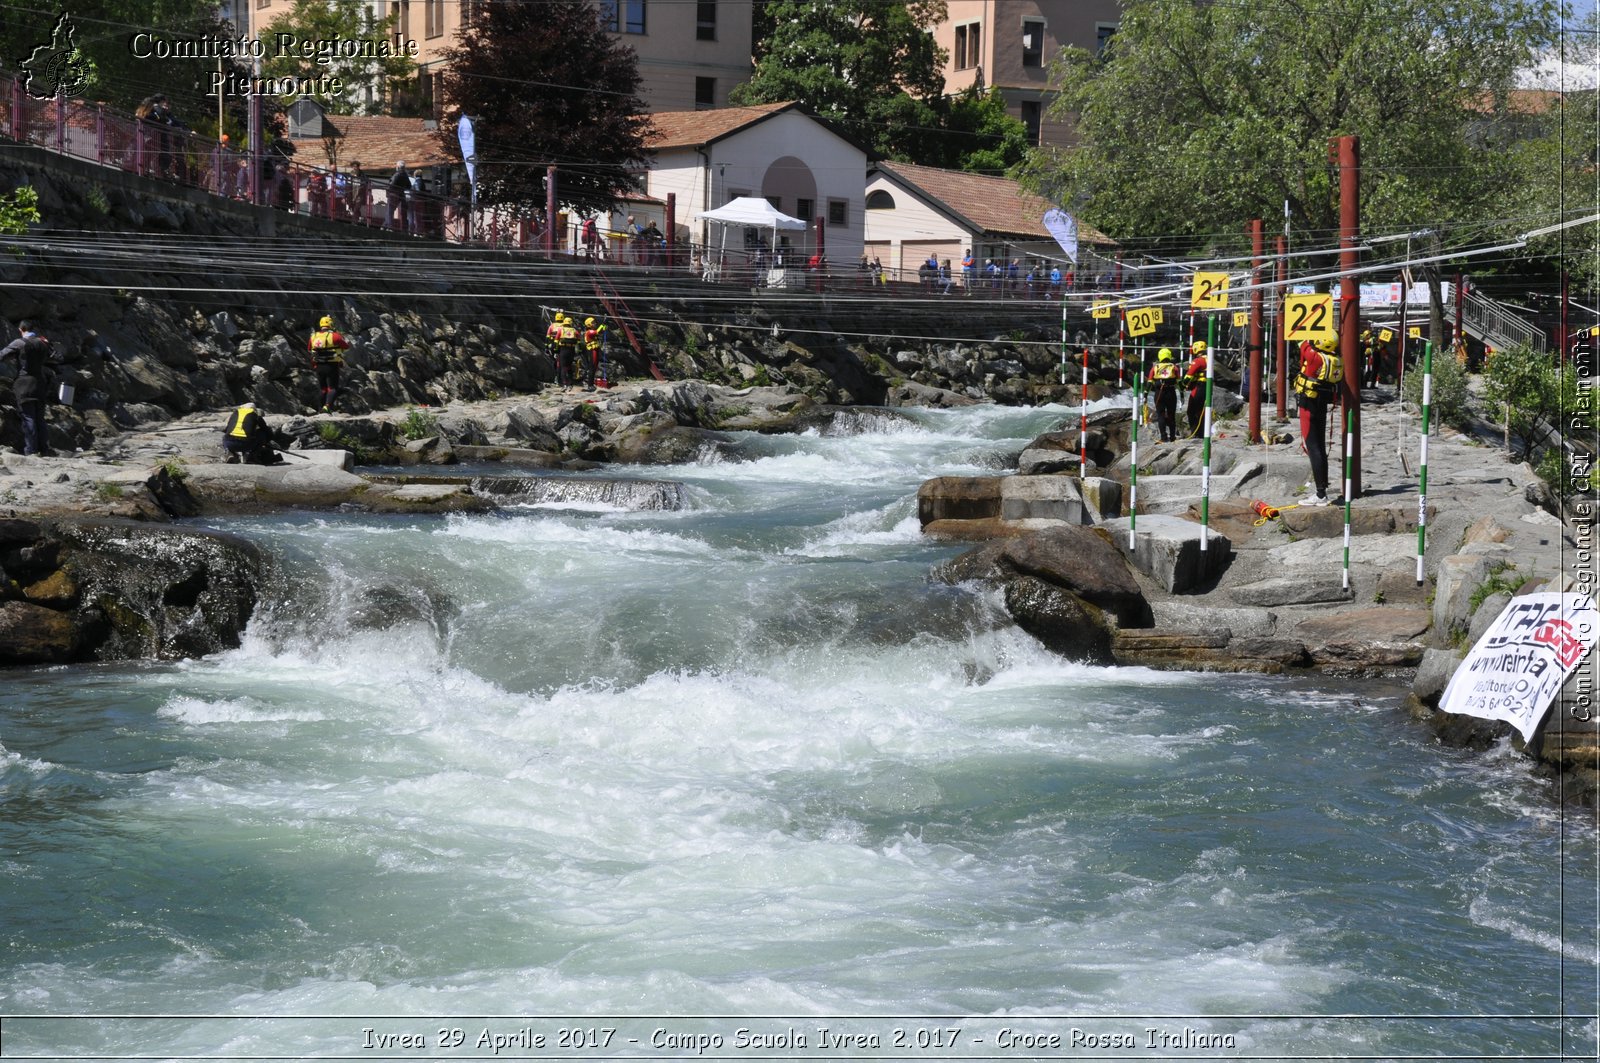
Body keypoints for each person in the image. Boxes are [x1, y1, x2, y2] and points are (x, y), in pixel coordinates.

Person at [1293, 337, 1344, 506]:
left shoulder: (1314, 357)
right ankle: (1322, 491)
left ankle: (1321, 494)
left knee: (1313, 447)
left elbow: (1299, 340)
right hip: (1321, 404)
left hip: (1308, 405)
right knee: (1320, 447)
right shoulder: (1335, 359)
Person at [0, 320, 59, 455]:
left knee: (28, 417)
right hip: (40, 382)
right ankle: (44, 449)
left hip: (24, 383)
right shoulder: (43, 342)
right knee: (40, 417)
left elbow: (2, 355)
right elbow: (55, 357)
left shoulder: (19, 343)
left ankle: (31, 450)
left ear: (21, 329)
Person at [308, 315, 351, 413]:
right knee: (332, 388)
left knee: (323, 389)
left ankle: (320, 409)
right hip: (331, 365)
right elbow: (346, 346)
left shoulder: (313, 336)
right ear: (331, 324)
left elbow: (310, 349)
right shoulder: (335, 336)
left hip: (319, 366)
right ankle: (327, 407)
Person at [1147, 346, 1181, 443]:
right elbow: (1179, 383)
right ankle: (1173, 437)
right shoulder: (1174, 367)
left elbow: (1149, 382)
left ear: (1160, 356)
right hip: (1171, 392)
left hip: (1159, 393)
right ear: (1169, 356)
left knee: (1160, 415)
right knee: (1171, 415)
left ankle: (1163, 437)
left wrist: (1145, 395)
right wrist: (1182, 394)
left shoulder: (1155, 368)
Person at [1182, 340, 1208, 436]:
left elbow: (1188, 376)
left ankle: (1195, 433)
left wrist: (1182, 385)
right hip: (1207, 387)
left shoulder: (1198, 361)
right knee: (1202, 411)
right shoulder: (1209, 359)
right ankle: (1202, 432)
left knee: (1192, 411)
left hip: (1199, 387)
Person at [582, 316, 607, 389]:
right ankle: (590, 385)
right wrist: (603, 324)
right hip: (592, 351)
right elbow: (597, 332)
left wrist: (604, 326)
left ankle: (591, 383)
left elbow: (600, 331)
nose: (595, 323)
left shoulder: (593, 331)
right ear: (589, 324)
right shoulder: (589, 332)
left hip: (595, 350)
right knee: (592, 367)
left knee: (594, 367)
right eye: (593, 323)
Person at [558, 313, 582, 387]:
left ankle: (564, 383)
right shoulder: (574, 330)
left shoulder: (561, 330)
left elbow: (556, 340)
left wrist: (555, 349)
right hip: (571, 350)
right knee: (569, 366)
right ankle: (570, 382)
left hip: (563, 349)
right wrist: (578, 350)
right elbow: (579, 339)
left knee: (563, 367)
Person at [388, 161, 412, 231]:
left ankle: (389, 226)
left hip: (394, 194)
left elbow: (391, 185)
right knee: (403, 212)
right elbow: (409, 186)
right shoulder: (405, 175)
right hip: (402, 195)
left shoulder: (397, 174)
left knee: (390, 211)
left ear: (398, 167)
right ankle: (404, 228)